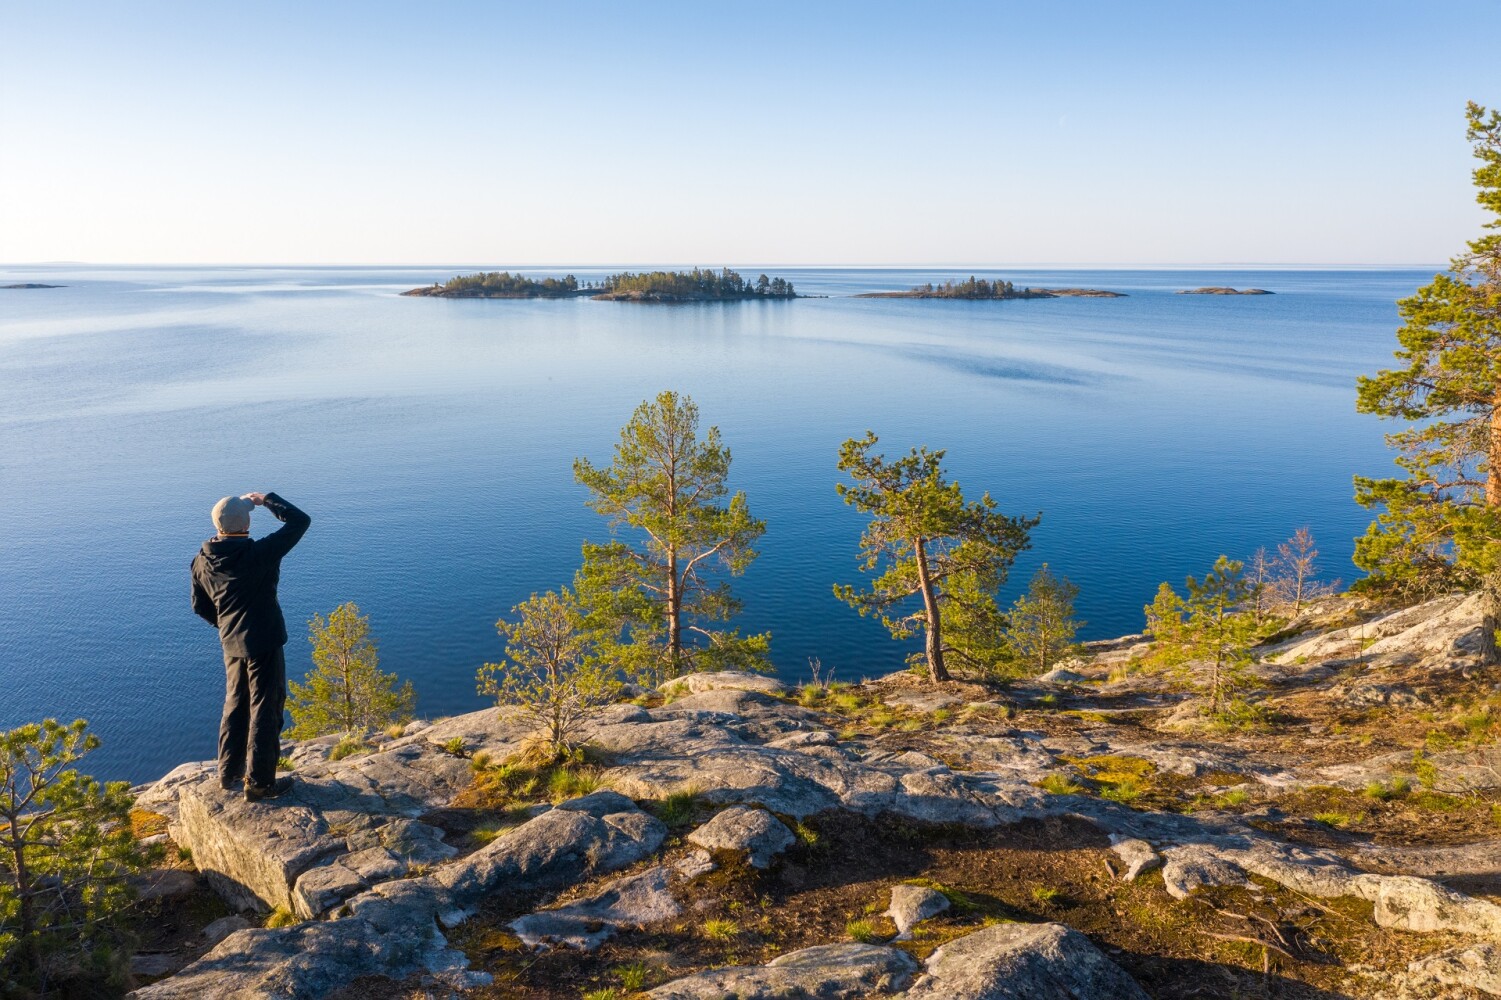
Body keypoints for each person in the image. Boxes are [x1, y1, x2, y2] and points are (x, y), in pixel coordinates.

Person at [191, 491, 311, 802]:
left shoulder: (202, 561)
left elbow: (200, 606)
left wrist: (228, 626)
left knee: (235, 704)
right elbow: (300, 521)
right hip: (264, 642)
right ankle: (259, 783)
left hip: (231, 643)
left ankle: (229, 772)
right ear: (245, 525)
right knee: (266, 709)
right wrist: (267, 500)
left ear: (217, 525)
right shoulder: (260, 553)